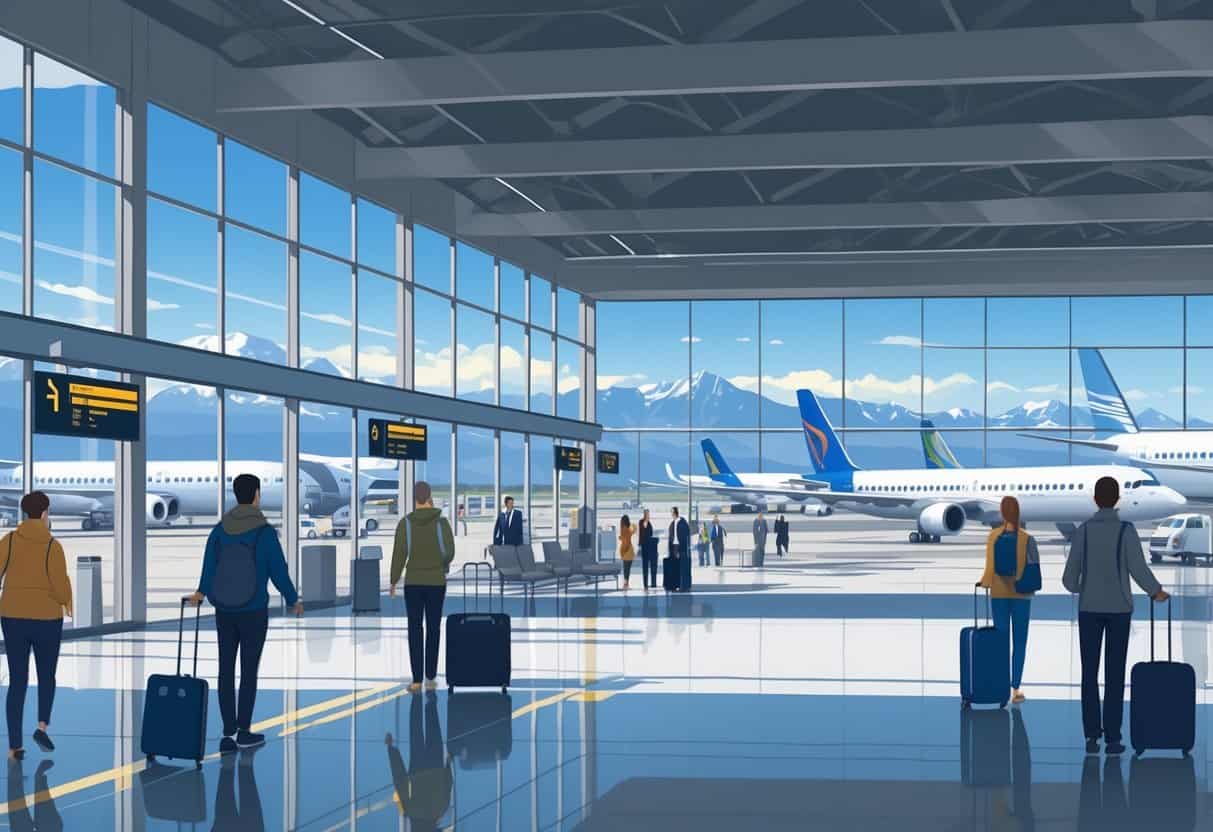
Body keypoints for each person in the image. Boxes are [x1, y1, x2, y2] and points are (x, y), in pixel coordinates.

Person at [190, 474, 302, 754]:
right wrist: (292, 599)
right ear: (255, 495)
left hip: (224, 610)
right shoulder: (263, 532)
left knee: (225, 668)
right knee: (248, 671)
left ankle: (227, 734)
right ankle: (244, 730)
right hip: (253, 610)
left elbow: (209, 566)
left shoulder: (220, 529)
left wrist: (201, 593)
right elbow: (278, 570)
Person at [1062, 476, 1168, 756]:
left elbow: (1069, 579)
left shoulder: (1083, 532)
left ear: (1096, 499)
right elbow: (1138, 569)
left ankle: (1091, 737)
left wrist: (1084, 586)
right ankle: (1112, 738)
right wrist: (1156, 591)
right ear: (1117, 498)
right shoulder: (1125, 531)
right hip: (1119, 610)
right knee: (1114, 673)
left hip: (1089, 609)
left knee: (1089, 673)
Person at [0, 491, 72, 761]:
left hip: (13, 616)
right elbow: (60, 584)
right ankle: (42, 726)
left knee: (17, 679)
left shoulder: (9, 541)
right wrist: (66, 603)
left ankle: (14, 746)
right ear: (44, 513)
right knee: (47, 676)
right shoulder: (52, 545)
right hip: (46, 618)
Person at [390, 481, 456, 692]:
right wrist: (441, 564)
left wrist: (393, 580)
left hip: (413, 583)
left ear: (414, 498)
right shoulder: (442, 523)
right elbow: (449, 552)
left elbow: (399, 554)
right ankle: (431, 675)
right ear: (429, 497)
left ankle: (417, 678)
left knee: (415, 628)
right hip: (436, 582)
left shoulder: (405, 524)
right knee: (434, 628)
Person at [977, 496, 1037, 705]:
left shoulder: (993, 536)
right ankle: (1016, 689)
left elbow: (989, 569)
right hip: (1022, 596)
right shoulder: (1027, 538)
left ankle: (1000, 686)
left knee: (1001, 642)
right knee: (1020, 643)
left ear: (1002, 513)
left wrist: (984, 583)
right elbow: (1034, 568)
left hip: (999, 595)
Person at [386, 693, 452, 831]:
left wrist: (448, 764)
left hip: (436, 768)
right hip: (417, 770)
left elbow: (448, 784)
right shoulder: (409, 810)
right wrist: (391, 750)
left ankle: (430, 701)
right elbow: (399, 780)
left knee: (433, 730)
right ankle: (416, 698)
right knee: (416, 731)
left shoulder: (441, 809)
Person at [668, 507, 691, 592]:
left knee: (682, 568)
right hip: (674, 547)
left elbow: (686, 535)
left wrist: (682, 547)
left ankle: (683, 586)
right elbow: (671, 537)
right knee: (675, 568)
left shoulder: (683, 523)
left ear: (675, 513)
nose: (671, 514)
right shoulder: (672, 523)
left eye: (672, 513)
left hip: (681, 548)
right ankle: (675, 585)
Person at [638, 509, 656, 591]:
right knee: (645, 566)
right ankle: (645, 584)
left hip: (650, 547)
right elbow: (644, 532)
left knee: (649, 565)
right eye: (647, 514)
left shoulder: (648, 522)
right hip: (645, 547)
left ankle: (651, 583)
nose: (649, 515)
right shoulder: (643, 522)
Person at [618, 515, 636, 590]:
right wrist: (632, 525)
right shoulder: (627, 529)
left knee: (626, 568)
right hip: (629, 550)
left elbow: (625, 540)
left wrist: (623, 551)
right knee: (627, 569)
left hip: (625, 550)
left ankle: (626, 584)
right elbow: (634, 529)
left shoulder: (623, 529)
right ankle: (626, 584)